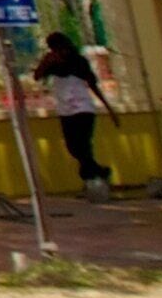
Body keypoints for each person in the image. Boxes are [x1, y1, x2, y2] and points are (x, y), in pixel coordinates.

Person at [31, 33, 115, 198]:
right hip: (66, 111)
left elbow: (93, 85)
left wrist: (109, 108)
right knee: (73, 147)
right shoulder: (52, 63)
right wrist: (47, 61)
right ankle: (100, 172)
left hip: (83, 108)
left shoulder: (79, 62)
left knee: (83, 146)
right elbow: (37, 76)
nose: (59, 51)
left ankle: (91, 182)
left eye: (60, 48)